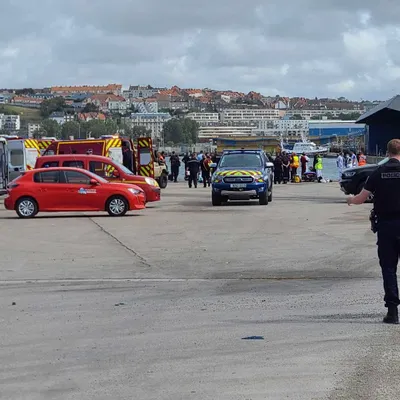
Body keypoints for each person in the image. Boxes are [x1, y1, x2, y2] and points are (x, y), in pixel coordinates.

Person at [347, 139, 400, 324]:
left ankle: (393, 312)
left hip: (386, 226)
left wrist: (351, 200)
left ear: (387, 153)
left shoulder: (379, 172)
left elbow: (362, 197)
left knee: (388, 268)